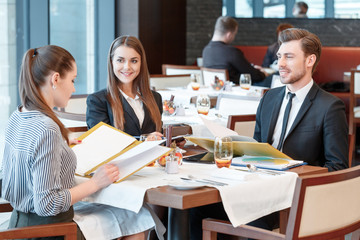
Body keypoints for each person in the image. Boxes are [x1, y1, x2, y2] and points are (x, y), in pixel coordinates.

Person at [2, 45, 158, 240]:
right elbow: (48, 204)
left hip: (18, 226)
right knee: (137, 216)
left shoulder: (18, 116)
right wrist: (96, 182)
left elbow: (7, 180)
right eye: (73, 80)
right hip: (50, 231)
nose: (74, 88)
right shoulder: (47, 129)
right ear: (56, 79)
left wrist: (60, 144)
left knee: (129, 216)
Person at [254, 27, 348, 172]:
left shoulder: (330, 107)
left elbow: (337, 167)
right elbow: (256, 151)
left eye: (289, 57)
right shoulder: (268, 98)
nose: (280, 64)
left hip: (299, 188)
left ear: (310, 60)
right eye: (279, 56)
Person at [86, 35, 163, 140]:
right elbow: (102, 142)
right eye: (120, 60)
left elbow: (158, 136)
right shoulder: (97, 101)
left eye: (134, 61)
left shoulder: (155, 98)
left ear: (141, 63)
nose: (127, 67)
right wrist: (144, 139)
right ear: (112, 62)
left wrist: (170, 141)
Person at [202, 16, 268, 85]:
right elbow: (254, 76)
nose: (233, 37)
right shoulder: (232, 52)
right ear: (229, 35)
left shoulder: (206, 50)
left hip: (214, 91)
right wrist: (263, 73)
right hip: (234, 92)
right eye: (234, 34)